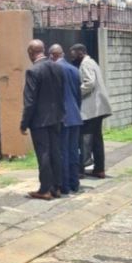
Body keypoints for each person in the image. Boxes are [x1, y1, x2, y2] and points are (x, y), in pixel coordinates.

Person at [20, 39, 64, 200]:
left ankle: (45, 189)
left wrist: (24, 123)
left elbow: (29, 101)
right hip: (56, 118)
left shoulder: (33, 71)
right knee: (55, 152)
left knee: (44, 154)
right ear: (43, 50)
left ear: (31, 53)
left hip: (39, 121)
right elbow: (61, 94)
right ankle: (56, 187)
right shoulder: (57, 67)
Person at [70, 44, 112, 178]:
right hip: (98, 108)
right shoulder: (92, 62)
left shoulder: (86, 64)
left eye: (74, 54)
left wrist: (76, 93)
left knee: (85, 139)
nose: (72, 58)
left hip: (92, 109)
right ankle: (99, 169)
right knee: (97, 139)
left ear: (81, 52)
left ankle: (81, 169)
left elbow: (89, 83)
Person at [48, 44, 82, 194]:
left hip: (61, 116)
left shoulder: (54, 69)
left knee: (62, 152)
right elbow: (78, 95)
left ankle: (65, 185)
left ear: (52, 55)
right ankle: (75, 183)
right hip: (75, 115)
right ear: (62, 54)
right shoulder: (74, 70)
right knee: (74, 151)